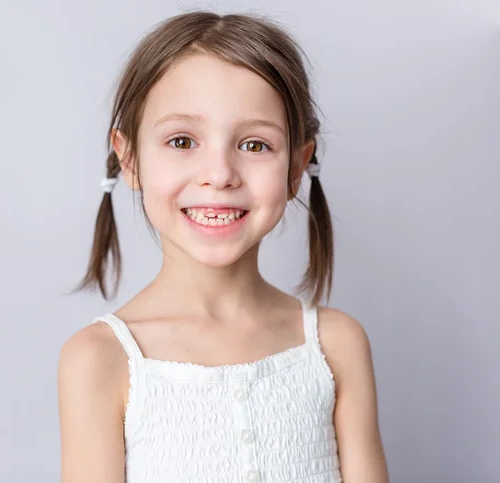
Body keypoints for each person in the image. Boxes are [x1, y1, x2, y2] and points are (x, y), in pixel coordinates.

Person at [58, 10, 389, 483]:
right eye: (181, 140)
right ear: (128, 159)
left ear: (298, 166)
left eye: (254, 145)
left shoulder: (335, 345)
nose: (219, 174)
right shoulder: (99, 359)